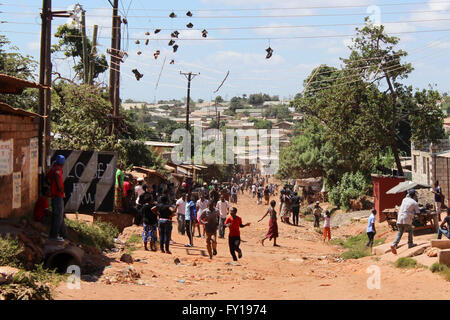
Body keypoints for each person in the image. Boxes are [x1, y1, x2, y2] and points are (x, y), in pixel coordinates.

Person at [390, 189, 420, 254]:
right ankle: (410, 244)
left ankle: (394, 244)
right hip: (407, 219)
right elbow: (418, 212)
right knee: (410, 230)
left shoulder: (404, 199)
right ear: (414, 195)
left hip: (399, 218)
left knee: (400, 232)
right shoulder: (414, 202)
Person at [47, 155, 68, 241]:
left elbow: (47, 178)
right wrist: (60, 189)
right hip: (57, 195)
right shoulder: (57, 170)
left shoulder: (53, 169)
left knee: (59, 216)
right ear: (62, 162)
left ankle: (64, 235)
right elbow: (57, 177)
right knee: (58, 216)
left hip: (54, 194)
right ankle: (54, 236)